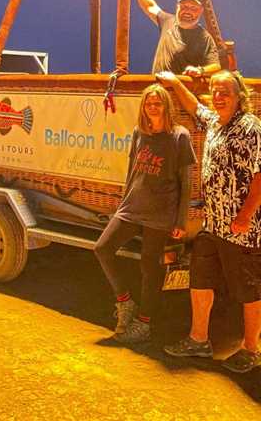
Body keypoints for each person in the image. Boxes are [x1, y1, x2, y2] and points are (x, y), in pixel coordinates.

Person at [158, 69, 261, 373]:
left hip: (247, 230)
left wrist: (245, 215)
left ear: (240, 96)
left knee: (250, 291)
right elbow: (194, 108)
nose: (219, 96)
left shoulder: (253, 129)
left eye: (225, 91)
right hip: (214, 225)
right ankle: (198, 340)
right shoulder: (215, 122)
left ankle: (251, 350)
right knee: (200, 279)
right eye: (215, 91)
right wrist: (174, 83)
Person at [94, 83, 196, 344]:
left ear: (166, 105)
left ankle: (145, 322)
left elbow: (186, 181)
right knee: (103, 248)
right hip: (132, 207)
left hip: (161, 212)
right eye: (148, 103)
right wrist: (122, 203)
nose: (153, 107)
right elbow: (131, 171)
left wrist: (181, 220)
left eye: (158, 102)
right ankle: (125, 303)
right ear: (144, 106)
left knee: (150, 267)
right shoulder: (139, 132)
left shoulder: (179, 136)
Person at [131, 0, 221, 78]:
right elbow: (149, 6)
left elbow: (216, 66)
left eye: (193, 8)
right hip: (159, 90)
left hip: (180, 90)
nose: (188, 11)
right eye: (184, 6)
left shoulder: (205, 38)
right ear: (177, 6)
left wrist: (200, 70)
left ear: (200, 11)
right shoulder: (168, 21)